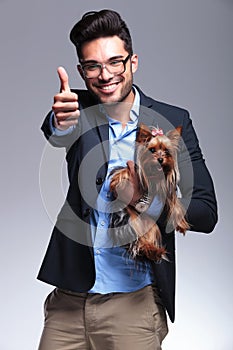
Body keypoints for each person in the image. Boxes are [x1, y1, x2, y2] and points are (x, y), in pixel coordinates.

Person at [37, 9, 218, 350]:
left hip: (133, 306)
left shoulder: (173, 120)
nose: (105, 75)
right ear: (82, 71)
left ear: (133, 62)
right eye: (93, 66)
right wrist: (59, 122)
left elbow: (207, 212)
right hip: (68, 303)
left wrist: (145, 202)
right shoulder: (77, 108)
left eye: (115, 62)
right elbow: (58, 130)